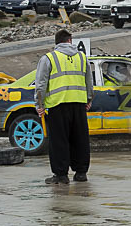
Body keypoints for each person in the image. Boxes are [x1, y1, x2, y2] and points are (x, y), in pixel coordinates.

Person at [35, 29, 93, 184]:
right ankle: (81, 173)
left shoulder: (49, 58)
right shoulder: (82, 57)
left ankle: (61, 175)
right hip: (79, 104)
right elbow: (89, 80)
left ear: (56, 43)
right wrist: (89, 99)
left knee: (59, 141)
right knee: (80, 139)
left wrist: (39, 105)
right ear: (70, 40)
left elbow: (40, 84)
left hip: (57, 104)